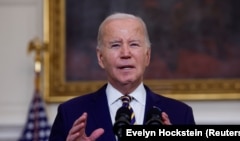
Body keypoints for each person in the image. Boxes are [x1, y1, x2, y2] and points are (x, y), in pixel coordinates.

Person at [49, 12, 195, 141]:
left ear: (147, 56)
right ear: (100, 58)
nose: (125, 53)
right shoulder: (70, 114)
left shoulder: (181, 115)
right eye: (115, 45)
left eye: (134, 44)